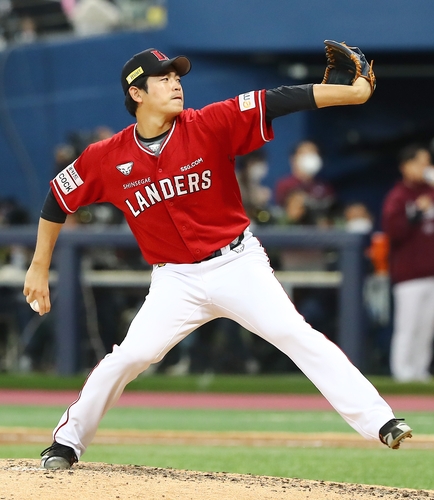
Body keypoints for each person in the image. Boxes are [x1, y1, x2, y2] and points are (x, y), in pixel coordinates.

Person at [23, 46, 412, 470]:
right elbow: (58, 197)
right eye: (163, 78)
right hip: (174, 281)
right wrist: (40, 266)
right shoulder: (107, 156)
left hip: (236, 264)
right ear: (137, 93)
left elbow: (275, 99)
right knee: (130, 356)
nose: (176, 83)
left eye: (177, 76)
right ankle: (66, 444)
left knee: (293, 334)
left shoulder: (208, 123)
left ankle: (381, 421)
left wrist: (349, 95)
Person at [382, 144, 434, 382]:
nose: (425, 168)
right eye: (420, 163)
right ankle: (402, 375)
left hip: (431, 272)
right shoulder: (399, 196)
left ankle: (420, 372)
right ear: (406, 165)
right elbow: (393, 232)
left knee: (427, 329)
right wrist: (415, 215)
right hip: (408, 274)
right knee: (408, 327)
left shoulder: (431, 191)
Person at [274, 140, 336, 226]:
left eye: (313, 153)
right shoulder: (285, 184)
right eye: (305, 153)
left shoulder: (325, 187)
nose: (310, 157)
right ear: (294, 159)